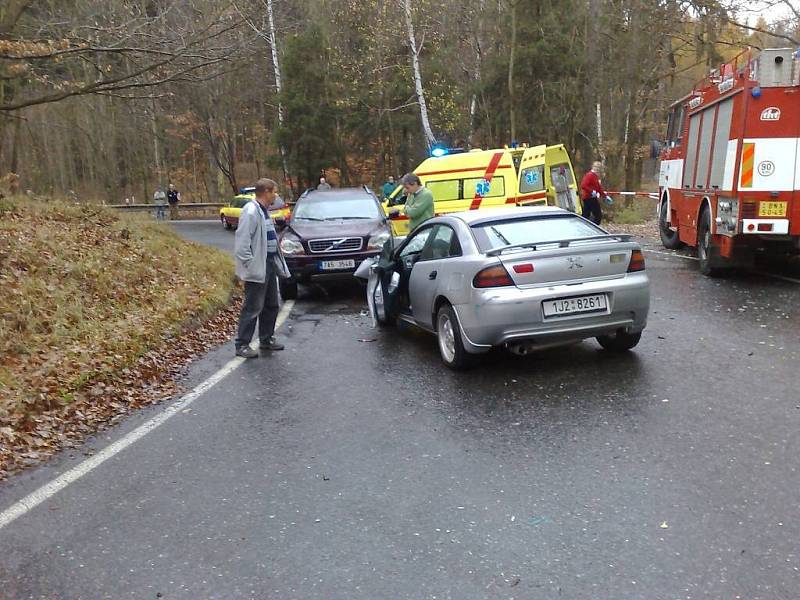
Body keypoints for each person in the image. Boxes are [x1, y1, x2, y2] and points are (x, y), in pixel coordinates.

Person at [233, 178, 290, 358]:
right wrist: (250, 265)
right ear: (266, 191)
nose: (276, 195)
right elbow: (242, 243)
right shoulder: (250, 212)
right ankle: (242, 344)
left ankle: (266, 339)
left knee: (271, 304)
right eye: (274, 191)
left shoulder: (263, 211)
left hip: (269, 263)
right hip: (258, 266)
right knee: (252, 306)